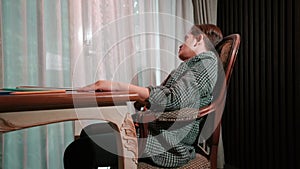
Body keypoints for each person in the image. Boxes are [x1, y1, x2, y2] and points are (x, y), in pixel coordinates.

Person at [63, 24, 223, 169]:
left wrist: (119, 86)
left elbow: (176, 99)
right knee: (88, 132)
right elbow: (166, 97)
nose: (181, 44)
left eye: (185, 39)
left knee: (77, 152)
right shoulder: (192, 65)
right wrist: (137, 98)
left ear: (199, 39)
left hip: (168, 144)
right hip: (153, 131)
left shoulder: (207, 63)